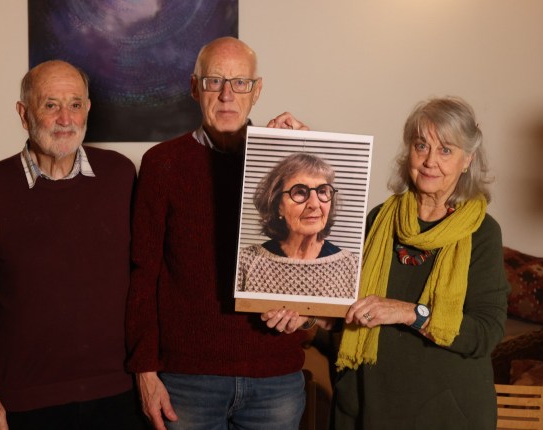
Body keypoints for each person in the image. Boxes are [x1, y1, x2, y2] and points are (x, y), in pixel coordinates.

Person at [125, 37, 327, 430]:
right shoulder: (161, 164)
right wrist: (144, 371)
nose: (227, 95)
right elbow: (142, 273)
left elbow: (314, 255)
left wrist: (308, 148)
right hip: (188, 379)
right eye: (215, 81)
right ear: (194, 87)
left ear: (258, 90)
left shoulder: (287, 162)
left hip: (274, 377)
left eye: (240, 83)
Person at [0, 60, 145, 430]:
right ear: (24, 114)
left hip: (117, 395)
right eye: (50, 105)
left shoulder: (120, 175)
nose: (65, 119)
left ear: (88, 109)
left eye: (75, 104)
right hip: (21, 403)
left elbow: (149, 276)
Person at [332, 96, 510, 429]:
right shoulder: (378, 220)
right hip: (367, 405)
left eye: (446, 150)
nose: (430, 161)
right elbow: (349, 309)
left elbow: (485, 333)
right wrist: (309, 318)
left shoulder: (482, 233)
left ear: (467, 160)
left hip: (444, 412)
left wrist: (408, 312)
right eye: (421, 145)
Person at [236, 152, 359, 298]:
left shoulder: (350, 265)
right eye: (300, 192)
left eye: (322, 191)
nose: (314, 204)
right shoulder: (247, 261)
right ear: (278, 205)